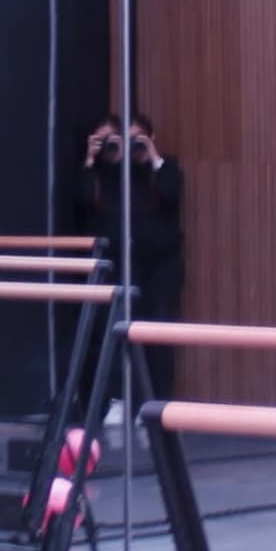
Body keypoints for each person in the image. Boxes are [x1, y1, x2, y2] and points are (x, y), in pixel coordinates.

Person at [73, 116, 186, 402]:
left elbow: (170, 195)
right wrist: (93, 158)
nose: (128, 147)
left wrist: (151, 157)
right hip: (118, 263)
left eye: (138, 139)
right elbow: (84, 200)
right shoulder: (103, 176)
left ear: (152, 137)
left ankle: (157, 402)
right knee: (113, 332)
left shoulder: (164, 168)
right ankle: (116, 400)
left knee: (158, 333)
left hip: (159, 265)